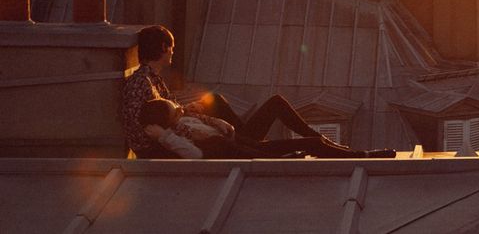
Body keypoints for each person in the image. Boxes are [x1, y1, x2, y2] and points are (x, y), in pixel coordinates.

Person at [123, 25, 395, 158]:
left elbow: (169, 117)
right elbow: (146, 133)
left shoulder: (153, 80)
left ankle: (327, 144)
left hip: (212, 139)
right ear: (161, 48)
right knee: (265, 120)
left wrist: (197, 113)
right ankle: (352, 154)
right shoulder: (142, 84)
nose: (173, 52)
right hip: (209, 145)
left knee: (221, 100)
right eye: (170, 47)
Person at [139, 98, 393, 159]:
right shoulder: (176, 136)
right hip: (251, 151)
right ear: (168, 122)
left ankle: (333, 146)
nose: (181, 109)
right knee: (311, 145)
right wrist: (165, 136)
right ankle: (363, 156)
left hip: (242, 142)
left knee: (277, 103)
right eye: (177, 111)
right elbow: (195, 155)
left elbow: (227, 130)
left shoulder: (186, 124)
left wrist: (207, 118)